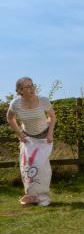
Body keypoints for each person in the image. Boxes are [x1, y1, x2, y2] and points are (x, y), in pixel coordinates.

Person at [6, 77, 56, 206]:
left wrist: (50, 134)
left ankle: (44, 197)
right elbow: (10, 118)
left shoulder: (43, 101)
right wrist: (20, 134)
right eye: (27, 87)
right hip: (28, 139)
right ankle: (31, 196)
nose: (31, 88)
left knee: (41, 167)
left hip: (44, 138)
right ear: (20, 90)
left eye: (32, 85)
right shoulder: (15, 104)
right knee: (27, 168)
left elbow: (52, 116)